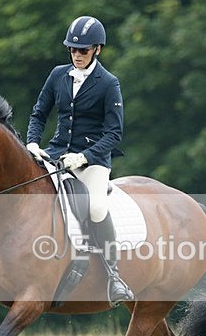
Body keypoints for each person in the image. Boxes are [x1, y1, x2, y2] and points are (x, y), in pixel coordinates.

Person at [26, 16, 134, 305]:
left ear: (97, 50)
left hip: (94, 160)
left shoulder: (109, 83)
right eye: (72, 49)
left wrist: (84, 157)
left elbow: (114, 133)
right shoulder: (58, 75)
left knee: (96, 207)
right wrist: (33, 143)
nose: (76, 55)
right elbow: (39, 113)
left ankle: (114, 276)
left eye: (82, 50)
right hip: (56, 152)